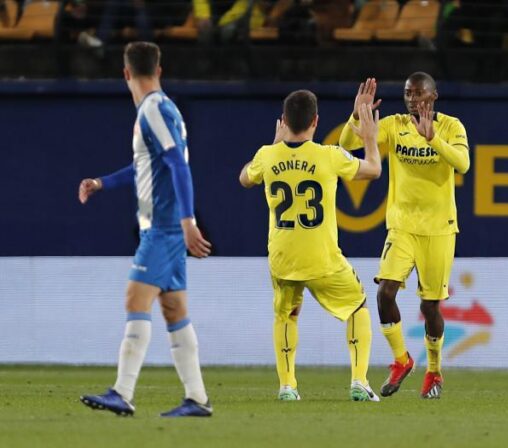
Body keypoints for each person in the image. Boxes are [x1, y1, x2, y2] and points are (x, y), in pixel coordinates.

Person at [78, 42, 213, 417]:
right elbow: (146, 167)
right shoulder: (162, 110)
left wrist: (187, 221)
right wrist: (102, 183)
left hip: (164, 228)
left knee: (134, 300)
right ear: (159, 70)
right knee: (173, 310)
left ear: (125, 73)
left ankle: (122, 392)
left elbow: (178, 166)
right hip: (168, 227)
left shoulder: (153, 109)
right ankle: (197, 399)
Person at [239, 90, 382, 401]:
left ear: (284, 120)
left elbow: (244, 179)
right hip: (322, 259)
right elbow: (373, 169)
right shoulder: (329, 155)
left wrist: (275, 144)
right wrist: (369, 137)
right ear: (316, 121)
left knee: (287, 315)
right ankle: (359, 381)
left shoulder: (267, 155)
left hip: (282, 258)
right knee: (357, 306)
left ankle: (287, 386)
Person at [339, 74, 470, 399]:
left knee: (430, 307)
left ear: (434, 95)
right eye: (408, 93)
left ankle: (434, 371)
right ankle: (401, 360)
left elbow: (463, 165)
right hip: (402, 227)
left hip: (439, 229)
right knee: (385, 293)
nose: (412, 99)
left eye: (419, 93)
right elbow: (346, 145)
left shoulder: (452, 127)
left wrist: (433, 140)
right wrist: (358, 116)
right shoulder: (395, 124)